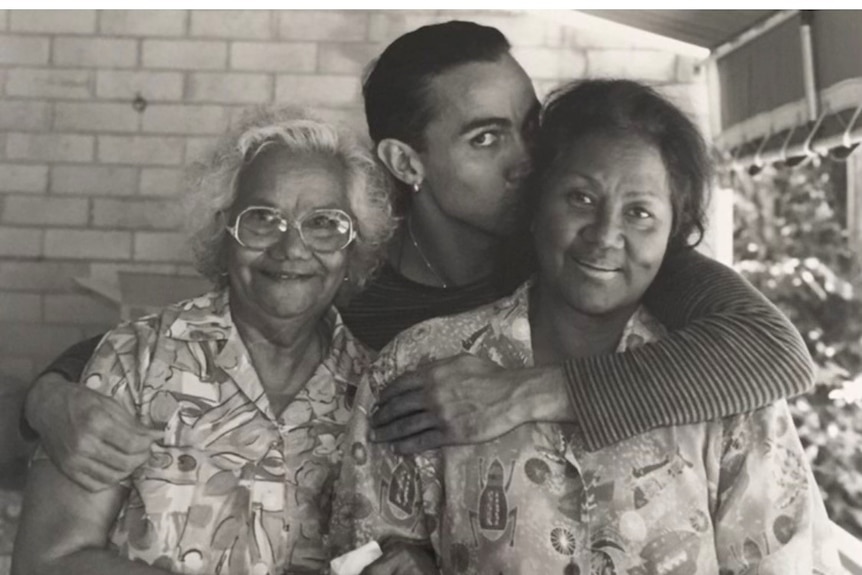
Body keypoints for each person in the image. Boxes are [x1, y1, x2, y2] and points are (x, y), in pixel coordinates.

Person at [21, 21, 813, 492]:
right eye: (485, 137)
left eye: (529, 124)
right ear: (406, 164)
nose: (528, 158)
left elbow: (773, 352)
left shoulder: (584, 249)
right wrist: (48, 403)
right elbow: (135, 351)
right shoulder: (338, 271)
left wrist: (526, 393)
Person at [332, 79, 841, 575]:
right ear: (535, 208)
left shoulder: (730, 389)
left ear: (672, 235)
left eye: (640, 213)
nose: (604, 236)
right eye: (580, 198)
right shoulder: (421, 365)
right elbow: (369, 549)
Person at [12, 109, 396, 575]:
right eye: (262, 219)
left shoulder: (377, 395)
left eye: (323, 224)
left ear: (353, 245)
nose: (291, 248)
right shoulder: (135, 361)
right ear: (224, 231)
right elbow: (46, 562)